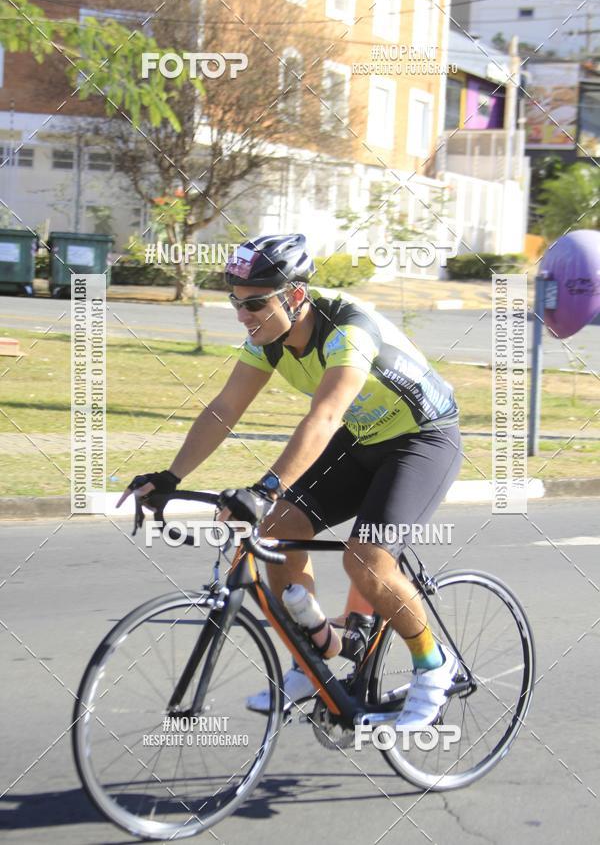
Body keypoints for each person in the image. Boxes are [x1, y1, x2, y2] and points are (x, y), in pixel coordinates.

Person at [118, 233, 462, 730]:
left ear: (295, 295)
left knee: (365, 560)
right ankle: (314, 662)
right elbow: (224, 410)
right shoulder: (269, 340)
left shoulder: (348, 331)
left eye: (254, 303)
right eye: (236, 303)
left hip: (422, 440)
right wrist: (171, 476)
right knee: (278, 530)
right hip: (365, 437)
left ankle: (434, 665)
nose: (243, 315)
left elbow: (324, 417)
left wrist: (264, 488)